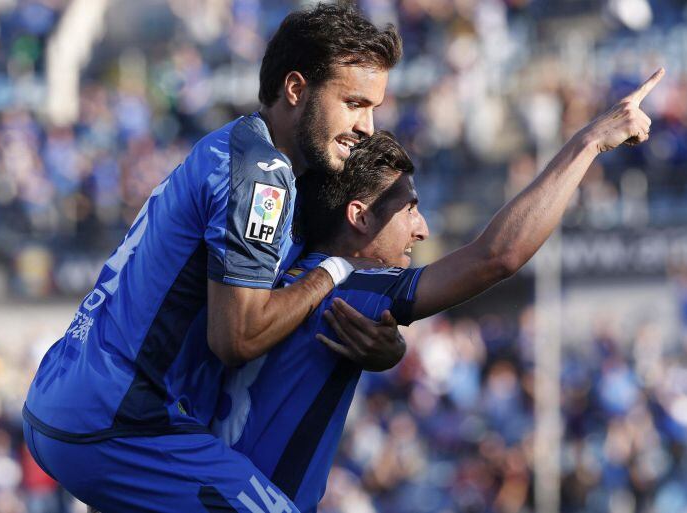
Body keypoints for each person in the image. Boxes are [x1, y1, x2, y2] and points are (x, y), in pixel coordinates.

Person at [212, 69, 664, 513]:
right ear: (359, 216)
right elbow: (497, 256)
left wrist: (392, 351)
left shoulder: (259, 279)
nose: (422, 229)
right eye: (409, 209)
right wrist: (589, 141)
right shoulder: (351, 283)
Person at [22, 4, 406, 512]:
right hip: (118, 420)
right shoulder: (262, 174)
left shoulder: (239, 147)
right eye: (354, 103)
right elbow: (237, 338)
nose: (367, 126)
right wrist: (338, 268)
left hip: (71, 400)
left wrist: (389, 349)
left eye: (373, 107)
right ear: (296, 90)